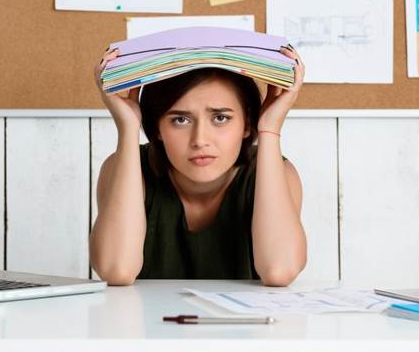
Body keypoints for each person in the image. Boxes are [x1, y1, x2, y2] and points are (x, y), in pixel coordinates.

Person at [90, 44, 306, 286]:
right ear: (158, 128)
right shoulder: (124, 167)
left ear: (246, 124)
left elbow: (280, 271)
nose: (200, 140)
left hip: (249, 324)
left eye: (220, 118)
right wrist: (128, 129)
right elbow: (115, 270)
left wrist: (270, 129)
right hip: (148, 323)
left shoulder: (278, 172)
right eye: (180, 120)